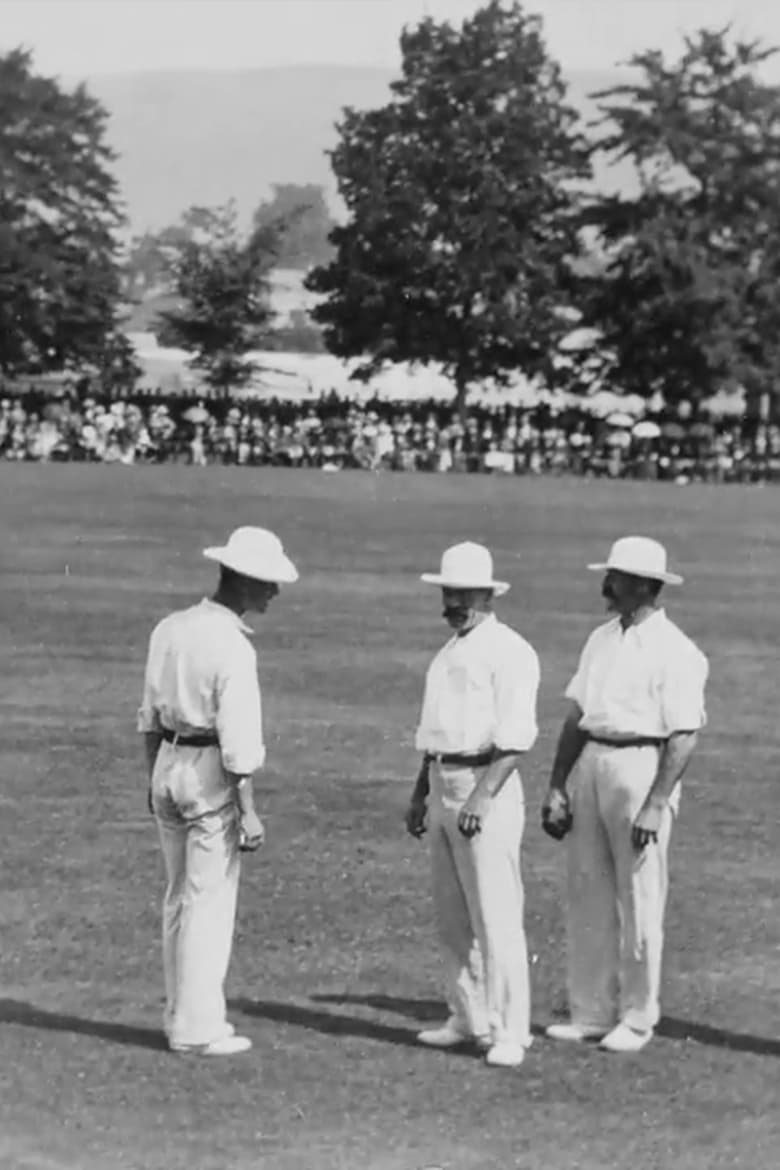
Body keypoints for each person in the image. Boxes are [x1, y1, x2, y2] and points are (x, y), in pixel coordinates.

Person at [541, 536, 708, 1054]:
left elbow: (683, 734)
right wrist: (556, 784)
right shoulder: (602, 638)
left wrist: (657, 802)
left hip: (642, 766)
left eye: (615, 578)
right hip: (594, 759)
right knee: (588, 892)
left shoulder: (677, 650)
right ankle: (591, 1011)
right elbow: (577, 715)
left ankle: (637, 1017)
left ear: (643, 586)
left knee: (639, 897)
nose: (606, 585)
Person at [137, 526, 299, 1056]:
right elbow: (238, 744)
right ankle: (197, 1026)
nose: (274, 593)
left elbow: (149, 716)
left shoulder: (171, 627)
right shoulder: (231, 645)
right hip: (207, 774)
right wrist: (247, 809)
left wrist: (153, 775)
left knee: (179, 897)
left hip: (168, 765)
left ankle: (180, 1014)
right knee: (207, 902)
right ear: (244, 581)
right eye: (268, 583)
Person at [406, 541, 540, 1068]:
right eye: (448, 592)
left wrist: (483, 798)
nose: (453, 602)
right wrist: (420, 793)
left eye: (463, 593)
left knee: (496, 913)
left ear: (488, 594)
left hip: (486, 785)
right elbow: (434, 736)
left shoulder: (510, 651)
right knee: (452, 914)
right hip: (443, 781)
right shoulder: (448, 653)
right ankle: (468, 1015)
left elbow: (515, 739)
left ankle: (511, 1030)